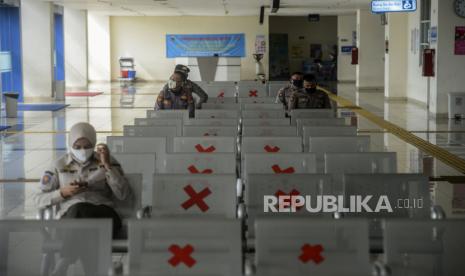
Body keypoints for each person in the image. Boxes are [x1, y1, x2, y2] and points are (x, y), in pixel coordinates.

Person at [33, 122, 130, 235]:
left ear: (93, 144)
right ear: (70, 145)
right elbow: (38, 199)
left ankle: (71, 251)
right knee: (78, 212)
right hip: (70, 214)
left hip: (102, 213)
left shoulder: (106, 161)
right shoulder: (59, 165)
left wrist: (108, 167)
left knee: (80, 213)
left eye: (87, 146)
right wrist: (62, 193)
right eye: (77, 147)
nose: (83, 151)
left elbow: (123, 194)